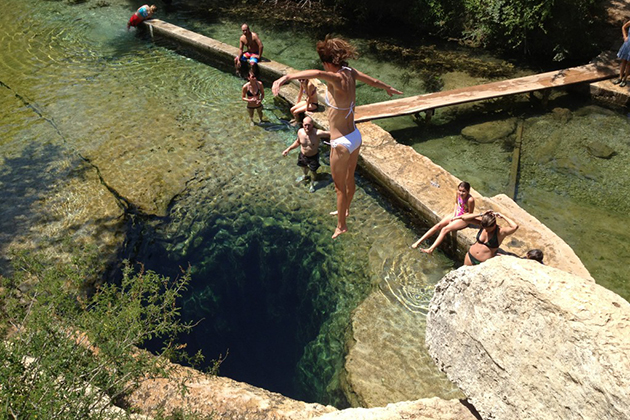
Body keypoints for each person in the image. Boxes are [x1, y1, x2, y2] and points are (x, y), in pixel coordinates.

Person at [272, 36, 402, 238]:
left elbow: (316, 73)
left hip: (341, 142)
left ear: (326, 62)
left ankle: (341, 225)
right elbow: (373, 81)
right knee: (349, 179)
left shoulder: (336, 78)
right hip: (355, 136)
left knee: (339, 188)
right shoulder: (350, 72)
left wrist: (285, 78)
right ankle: (346, 210)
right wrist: (387, 87)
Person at [411, 181, 475, 254]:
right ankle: (418, 242)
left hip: (464, 219)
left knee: (445, 229)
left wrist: (457, 218)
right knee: (438, 225)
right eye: (460, 190)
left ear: (468, 191)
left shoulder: (470, 200)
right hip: (457, 214)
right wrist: (454, 214)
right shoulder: (458, 194)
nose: (461, 193)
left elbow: (470, 214)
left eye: (463, 191)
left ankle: (430, 249)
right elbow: (456, 203)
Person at [282, 116, 330, 192]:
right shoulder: (300, 132)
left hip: (313, 156)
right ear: (302, 124)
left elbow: (331, 134)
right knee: (303, 167)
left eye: (309, 125)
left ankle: (312, 184)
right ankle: (305, 176)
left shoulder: (317, 133)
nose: (307, 127)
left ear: (312, 124)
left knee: (313, 171)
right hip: (303, 155)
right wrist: (288, 149)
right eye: (305, 125)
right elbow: (298, 142)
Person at [454, 210, 519, 266]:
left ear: (494, 225)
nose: (486, 230)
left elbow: (514, 227)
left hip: (482, 263)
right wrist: (482, 214)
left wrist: (502, 216)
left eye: (488, 229)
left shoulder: (500, 232)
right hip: (470, 256)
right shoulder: (483, 225)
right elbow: (464, 218)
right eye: (484, 228)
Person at [613, 20, 630, 87]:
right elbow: (623, 27)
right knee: (623, 61)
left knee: (629, 63)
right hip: (627, 44)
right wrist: (625, 37)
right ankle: (620, 78)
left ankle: (624, 79)